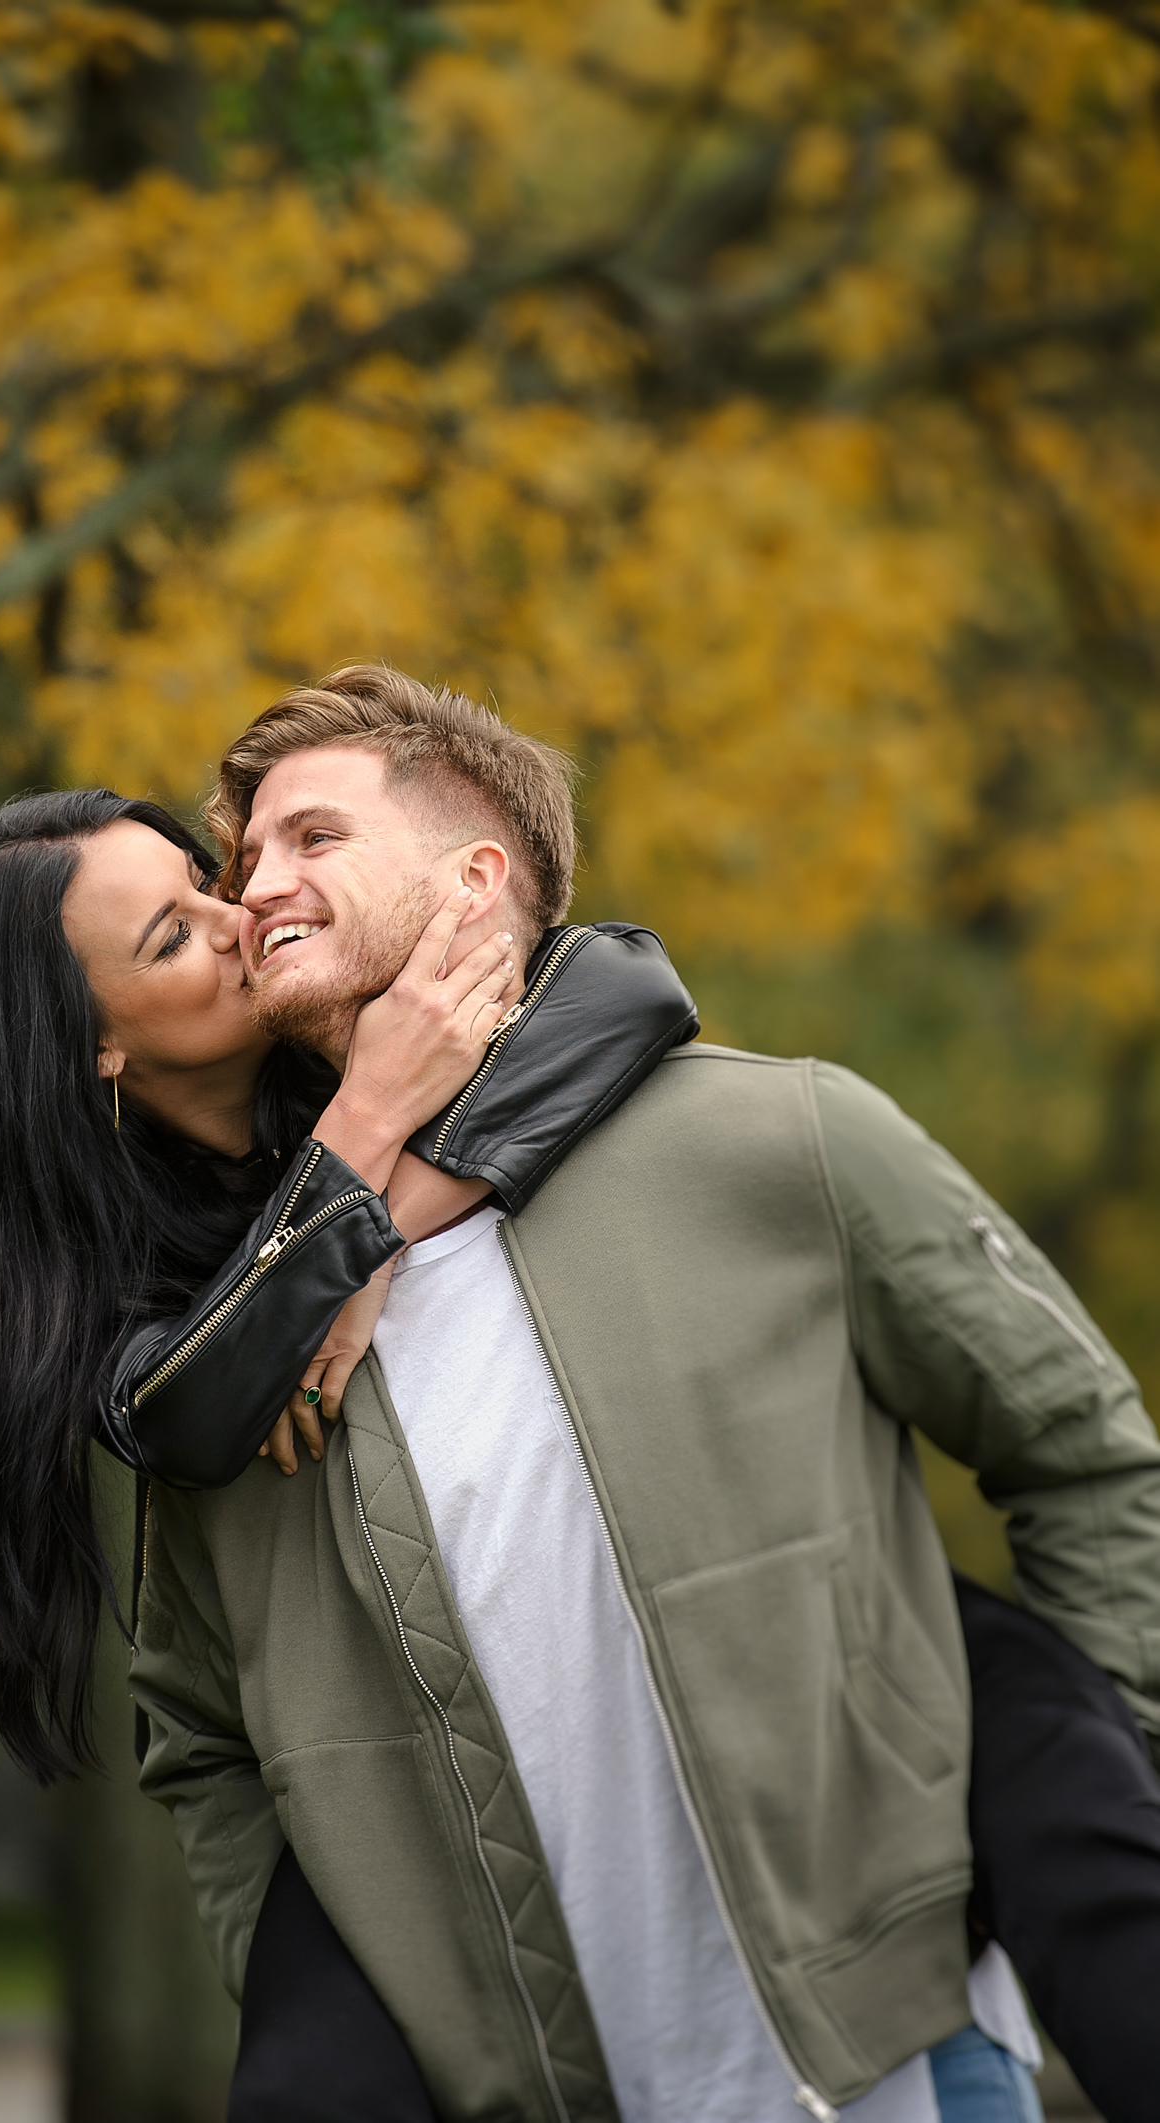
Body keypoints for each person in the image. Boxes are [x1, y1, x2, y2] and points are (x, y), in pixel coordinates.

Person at [128, 665, 1160, 2123]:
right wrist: (347, 1997)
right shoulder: (239, 1342)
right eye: (243, 858)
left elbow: (1089, 1459)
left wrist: (1043, 1808)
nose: (255, 887)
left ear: (477, 871)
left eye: (311, 837)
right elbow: (195, 1727)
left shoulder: (780, 1139)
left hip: (892, 2069)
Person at [0, 787, 696, 1782]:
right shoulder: (95, 1278)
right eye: (173, 937)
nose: (242, 921)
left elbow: (624, 980)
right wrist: (364, 1123)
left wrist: (378, 1227)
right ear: (93, 1044)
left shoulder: (357, 1019)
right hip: (383, 1776)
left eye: (205, 882)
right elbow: (188, 1413)